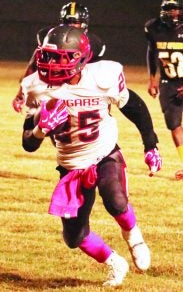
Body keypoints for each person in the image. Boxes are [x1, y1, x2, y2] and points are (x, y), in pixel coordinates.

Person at [21, 25, 151, 287]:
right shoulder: (36, 87)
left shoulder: (102, 76)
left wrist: (151, 144)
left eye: (60, 58)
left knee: (115, 199)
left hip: (104, 152)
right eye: (48, 56)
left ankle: (133, 235)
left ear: (81, 59)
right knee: (74, 237)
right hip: (70, 166)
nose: (51, 64)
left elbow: (133, 105)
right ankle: (115, 261)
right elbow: (28, 144)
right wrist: (39, 129)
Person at [13, 1, 162, 176]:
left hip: (82, 91)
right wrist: (21, 94)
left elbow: (97, 80)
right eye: (68, 24)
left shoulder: (95, 45)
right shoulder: (48, 36)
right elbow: (34, 65)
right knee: (58, 128)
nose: (71, 30)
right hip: (54, 90)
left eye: (76, 25)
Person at [144, 0, 183, 180]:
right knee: (174, 124)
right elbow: (151, 52)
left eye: (175, 8)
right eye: (168, 8)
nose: (171, 12)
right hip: (169, 82)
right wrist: (152, 79)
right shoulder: (154, 28)